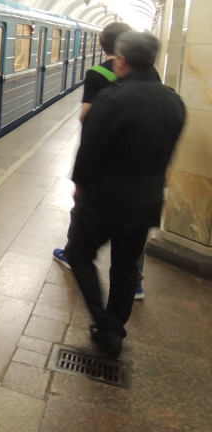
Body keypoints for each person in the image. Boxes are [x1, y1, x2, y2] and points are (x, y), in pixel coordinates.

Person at [63, 31, 185, 358]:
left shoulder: (112, 99)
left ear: (121, 61)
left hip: (106, 200)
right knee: (126, 267)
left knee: (78, 254)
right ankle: (114, 329)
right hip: (146, 200)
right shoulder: (173, 100)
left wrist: (80, 188)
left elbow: (89, 151)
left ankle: (104, 323)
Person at [53, 22, 149, 299]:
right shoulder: (151, 79)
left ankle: (73, 253)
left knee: (83, 210)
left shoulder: (96, 73)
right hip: (138, 163)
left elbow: (86, 115)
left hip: (102, 156)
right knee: (133, 229)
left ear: (102, 44)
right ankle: (136, 283)